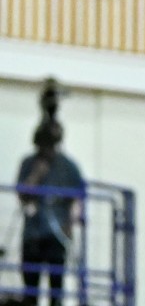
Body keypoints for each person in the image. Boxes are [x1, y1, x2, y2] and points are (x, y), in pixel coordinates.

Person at [16, 119, 85, 306]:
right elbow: (22, 196)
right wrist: (36, 174)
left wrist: (70, 225)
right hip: (32, 234)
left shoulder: (68, 166)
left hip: (56, 236)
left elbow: (78, 199)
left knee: (56, 290)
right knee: (30, 291)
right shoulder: (29, 163)